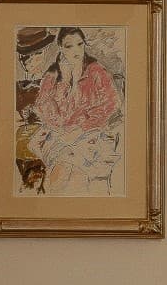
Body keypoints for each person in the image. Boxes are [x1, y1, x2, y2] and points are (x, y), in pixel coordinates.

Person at [27, 26, 123, 194]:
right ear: (61, 48)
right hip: (59, 132)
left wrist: (82, 126)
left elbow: (112, 103)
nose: (76, 50)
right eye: (69, 46)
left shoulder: (96, 70)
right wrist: (64, 80)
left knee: (73, 171)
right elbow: (42, 106)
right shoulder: (53, 74)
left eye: (80, 44)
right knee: (61, 170)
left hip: (91, 131)